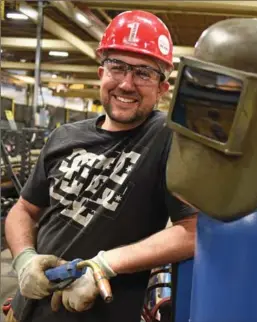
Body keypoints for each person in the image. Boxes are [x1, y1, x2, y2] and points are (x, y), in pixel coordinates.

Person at [4, 10, 197, 322]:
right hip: (25, 311)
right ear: (100, 73)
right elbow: (23, 209)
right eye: (116, 67)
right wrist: (25, 259)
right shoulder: (64, 136)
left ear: (163, 88)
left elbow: (193, 231)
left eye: (144, 73)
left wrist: (104, 265)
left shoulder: (169, 138)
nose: (126, 84)